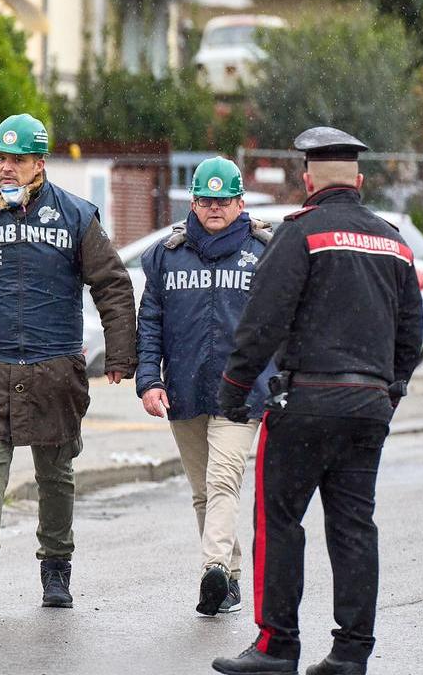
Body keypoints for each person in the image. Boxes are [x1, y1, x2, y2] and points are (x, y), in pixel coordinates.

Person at [211, 127, 423, 675]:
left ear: (307, 180)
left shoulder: (300, 233)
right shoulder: (394, 241)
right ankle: (351, 653)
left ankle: (276, 646)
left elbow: (263, 320)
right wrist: (390, 391)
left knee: (279, 521)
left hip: (306, 403)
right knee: (354, 527)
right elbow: (410, 333)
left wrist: (234, 392)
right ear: (359, 181)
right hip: (369, 406)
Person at [0, 113, 136, 612]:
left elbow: (113, 286)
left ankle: (56, 568)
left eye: (18, 159)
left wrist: (121, 354)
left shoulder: (76, 217)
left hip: (53, 367)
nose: (8, 168)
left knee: (55, 472)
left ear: (40, 162)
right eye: (1, 158)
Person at [136, 156, 273, 617]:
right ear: (192, 202)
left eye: (223, 201)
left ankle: (212, 568)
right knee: (202, 489)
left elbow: (283, 323)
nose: (214, 209)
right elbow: (150, 320)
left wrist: (279, 379)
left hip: (242, 391)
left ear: (240, 202)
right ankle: (230, 581)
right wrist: (149, 380)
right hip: (186, 386)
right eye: (205, 201)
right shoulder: (165, 254)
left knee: (223, 480)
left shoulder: (266, 252)